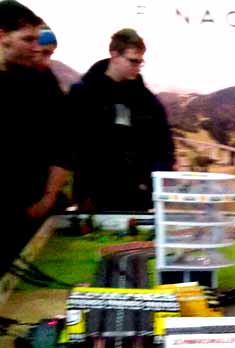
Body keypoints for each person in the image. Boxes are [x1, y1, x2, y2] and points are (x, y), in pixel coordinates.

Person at [68, 28, 174, 213]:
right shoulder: (83, 94)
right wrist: (83, 194)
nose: (138, 66)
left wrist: (153, 187)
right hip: (93, 197)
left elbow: (164, 146)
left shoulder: (147, 101)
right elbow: (70, 145)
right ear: (115, 55)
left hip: (137, 196)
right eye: (133, 60)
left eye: (141, 61)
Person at [0, 0, 69, 273]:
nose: (35, 48)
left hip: (31, 211)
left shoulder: (41, 81)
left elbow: (64, 142)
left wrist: (48, 198)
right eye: (28, 39)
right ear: (2, 35)